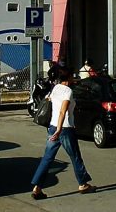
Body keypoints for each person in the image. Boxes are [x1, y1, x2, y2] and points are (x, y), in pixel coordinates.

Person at [29, 67, 95, 199]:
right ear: (69, 77)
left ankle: (37, 187)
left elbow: (51, 103)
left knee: (47, 157)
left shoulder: (55, 88)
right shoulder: (68, 91)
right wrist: (60, 129)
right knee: (75, 156)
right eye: (72, 76)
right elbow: (62, 111)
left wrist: (56, 128)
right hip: (64, 128)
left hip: (52, 127)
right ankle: (83, 184)